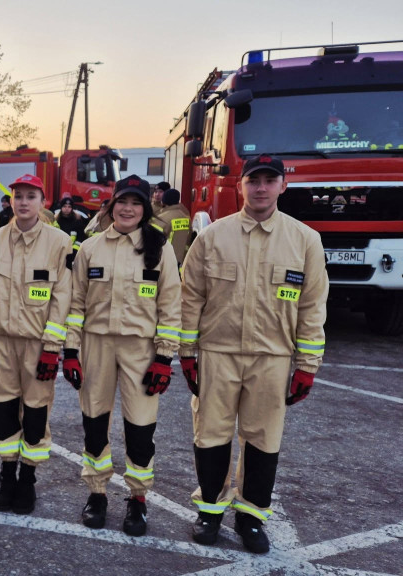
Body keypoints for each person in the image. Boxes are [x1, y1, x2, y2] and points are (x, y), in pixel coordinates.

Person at [181, 154, 328, 554]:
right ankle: (210, 511)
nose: (261, 188)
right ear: (241, 185)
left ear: (283, 186)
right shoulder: (213, 237)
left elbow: (312, 307)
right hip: (217, 353)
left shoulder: (305, 241)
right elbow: (190, 297)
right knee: (211, 434)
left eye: (269, 180)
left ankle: (251, 518)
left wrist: (307, 366)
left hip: (273, 358)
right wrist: (187, 352)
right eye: (253, 180)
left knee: (263, 440)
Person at [61, 175, 181, 536]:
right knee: (94, 424)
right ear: (112, 206)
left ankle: (137, 500)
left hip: (141, 350)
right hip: (96, 345)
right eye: (122, 202)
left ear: (145, 209)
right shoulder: (90, 248)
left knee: (140, 429)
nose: (128, 208)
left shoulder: (160, 247)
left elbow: (171, 305)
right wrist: (69, 349)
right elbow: (75, 303)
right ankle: (96, 494)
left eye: (136, 203)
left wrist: (164, 356)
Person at [0, 174, 73, 515]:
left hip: (37, 345)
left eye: (31, 196)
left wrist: (52, 346)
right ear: (10, 201)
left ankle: (27, 480)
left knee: (35, 411)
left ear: (42, 202)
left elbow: (62, 298)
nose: (23, 202)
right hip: (2, 344)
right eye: (18, 196)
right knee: (2, 411)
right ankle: (6, 477)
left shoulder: (59, 242)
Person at [151, 188, 191, 267]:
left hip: (165, 261)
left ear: (164, 201)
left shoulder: (162, 218)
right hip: (182, 260)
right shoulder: (186, 217)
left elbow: (152, 242)